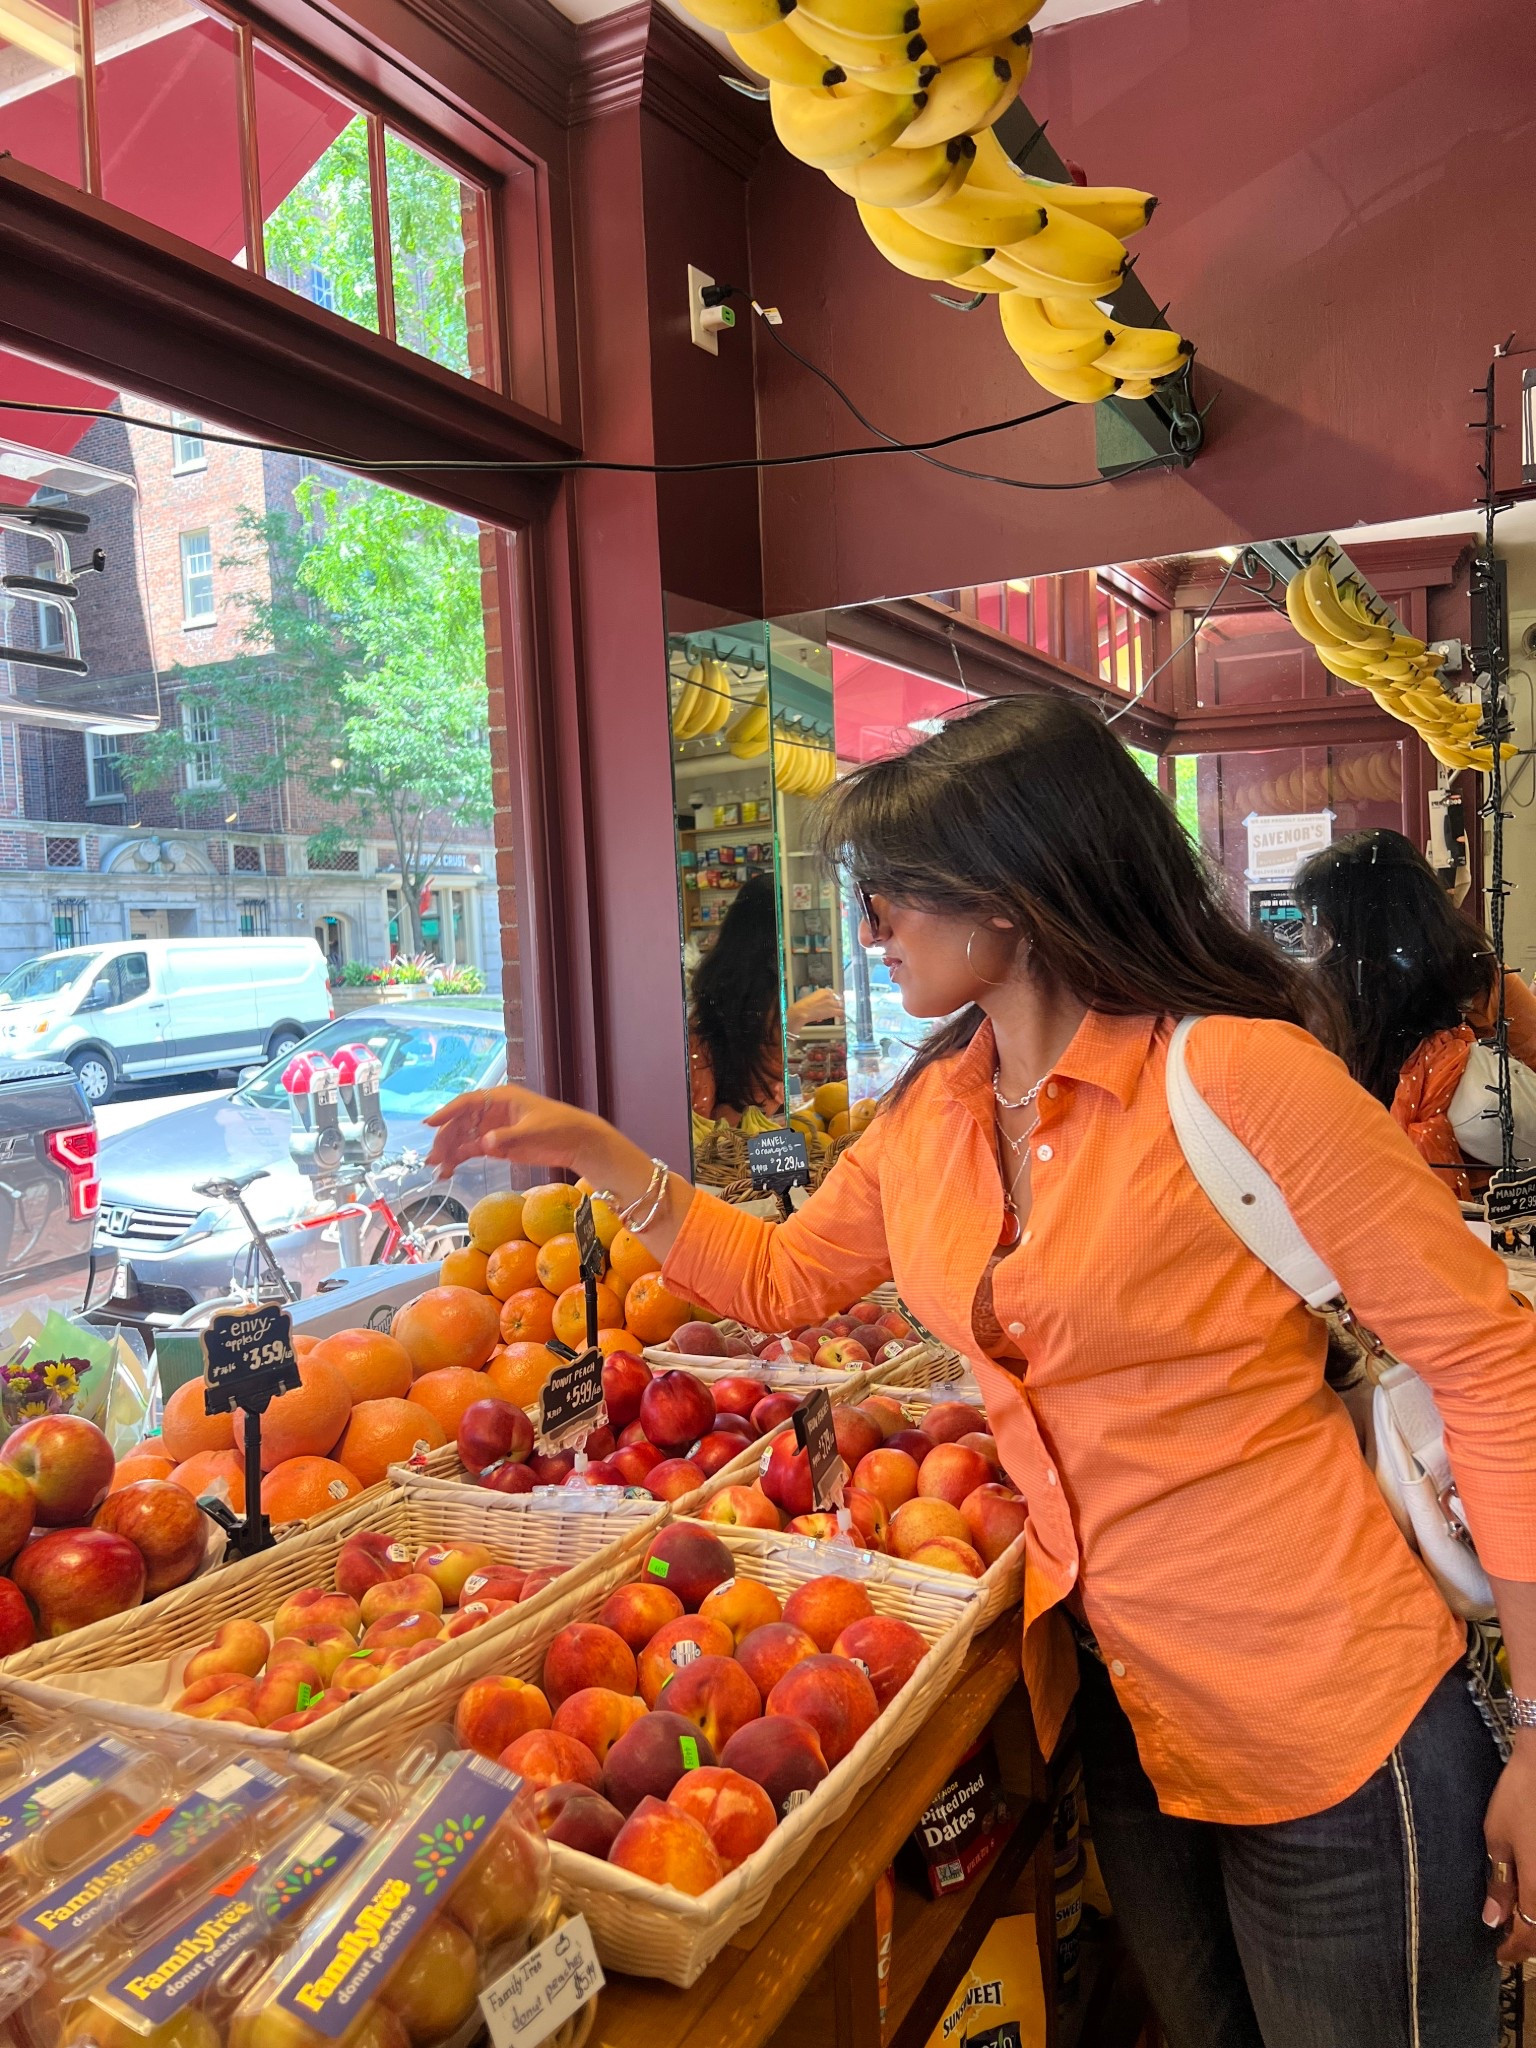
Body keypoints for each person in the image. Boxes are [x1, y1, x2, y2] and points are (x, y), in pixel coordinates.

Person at [428, 694, 1536, 2048]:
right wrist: (610, 1161)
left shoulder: (1243, 1076)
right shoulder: (936, 1115)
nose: (875, 924)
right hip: (1129, 1717)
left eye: (896, 890)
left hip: (1336, 1720)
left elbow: (1493, 1367)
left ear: (1011, 897)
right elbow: (782, 1283)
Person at [1294, 828, 1536, 1194]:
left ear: (1359, 923)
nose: (1308, 931)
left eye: (1316, 916)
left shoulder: (1325, 1001)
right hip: (1481, 1199)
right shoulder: (1481, 977)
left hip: (1450, 1201)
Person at [688, 873, 842, 1123]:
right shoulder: (750, 981)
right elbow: (757, 1078)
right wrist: (793, 1018)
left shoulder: (727, 971)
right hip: (731, 1123)